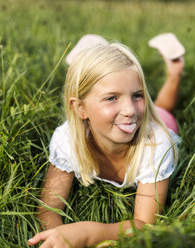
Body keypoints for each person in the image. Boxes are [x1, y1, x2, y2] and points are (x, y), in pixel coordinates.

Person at [28, 41, 184, 247]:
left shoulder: (156, 145)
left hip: (159, 122)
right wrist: (58, 238)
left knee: (162, 109)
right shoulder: (68, 139)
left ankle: (175, 72)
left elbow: (146, 224)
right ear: (80, 109)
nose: (130, 109)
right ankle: (95, 49)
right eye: (112, 98)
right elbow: (48, 209)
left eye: (137, 95)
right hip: (120, 123)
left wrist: (88, 233)